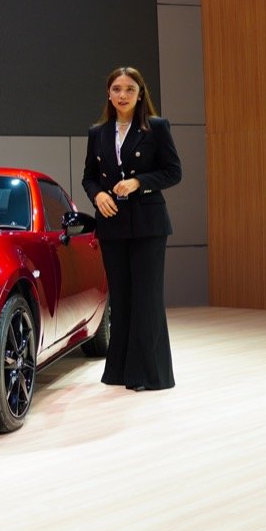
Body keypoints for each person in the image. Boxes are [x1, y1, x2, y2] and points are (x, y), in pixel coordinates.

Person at [81, 66, 182, 391]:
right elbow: (89, 177)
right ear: (109, 94)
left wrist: (139, 182)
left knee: (146, 299)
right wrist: (97, 195)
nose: (122, 95)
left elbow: (173, 172)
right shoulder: (98, 133)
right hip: (112, 225)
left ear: (140, 95)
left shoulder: (156, 127)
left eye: (129, 89)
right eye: (117, 89)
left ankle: (148, 374)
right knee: (121, 299)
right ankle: (120, 371)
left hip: (148, 225)